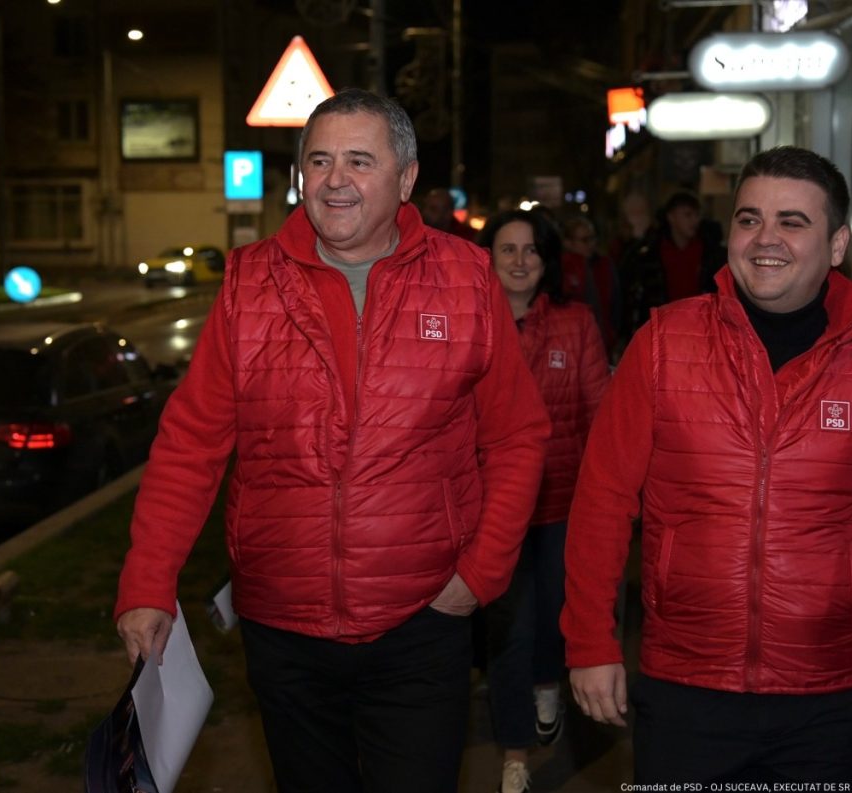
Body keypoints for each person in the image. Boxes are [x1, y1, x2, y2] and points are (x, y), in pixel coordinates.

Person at [113, 88, 550, 793]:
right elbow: (191, 443)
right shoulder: (249, 282)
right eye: (318, 161)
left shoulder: (467, 279)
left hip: (422, 620)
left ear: (406, 178)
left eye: (358, 161)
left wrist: (480, 574)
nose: (334, 180)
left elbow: (518, 436)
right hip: (283, 630)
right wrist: (147, 582)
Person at [561, 146, 852, 783]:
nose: (765, 238)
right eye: (749, 219)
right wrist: (589, 641)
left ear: (837, 246)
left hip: (831, 699)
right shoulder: (662, 345)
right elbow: (602, 501)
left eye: (792, 222)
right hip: (686, 687)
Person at [478, 210, 611, 793]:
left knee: (555, 614)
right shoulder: (470, 321)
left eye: (530, 250)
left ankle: (548, 683)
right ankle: (514, 754)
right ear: (488, 258)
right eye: (506, 249)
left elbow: (600, 410)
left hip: (562, 503)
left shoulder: (575, 323)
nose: (519, 260)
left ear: (547, 260)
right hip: (493, 509)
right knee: (509, 630)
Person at [619, 190, 726, 339]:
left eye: (697, 215)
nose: (694, 220)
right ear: (671, 217)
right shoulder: (650, 254)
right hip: (661, 330)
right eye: (687, 215)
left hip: (702, 330)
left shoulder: (710, 252)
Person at [560, 215, 620, 357]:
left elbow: (616, 301)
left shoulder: (604, 265)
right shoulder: (562, 268)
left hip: (603, 339)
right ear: (568, 243)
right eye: (584, 240)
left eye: (592, 238)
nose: (591, 244)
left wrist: (614, 332)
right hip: (572, 342)